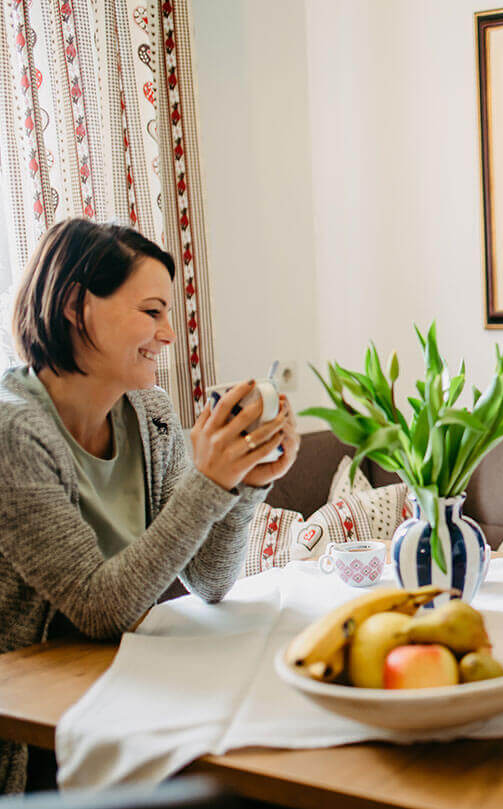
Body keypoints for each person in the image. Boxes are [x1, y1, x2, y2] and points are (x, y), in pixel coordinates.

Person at [0, 218, 299, 793]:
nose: (169, 334)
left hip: (117, 692)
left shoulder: (150, 413)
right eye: (152, 311)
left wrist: (244, 482)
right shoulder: (15, 432)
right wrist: (210, 483)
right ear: (73, 305)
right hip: (33, 733)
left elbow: (210, 580)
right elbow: (99, 608)